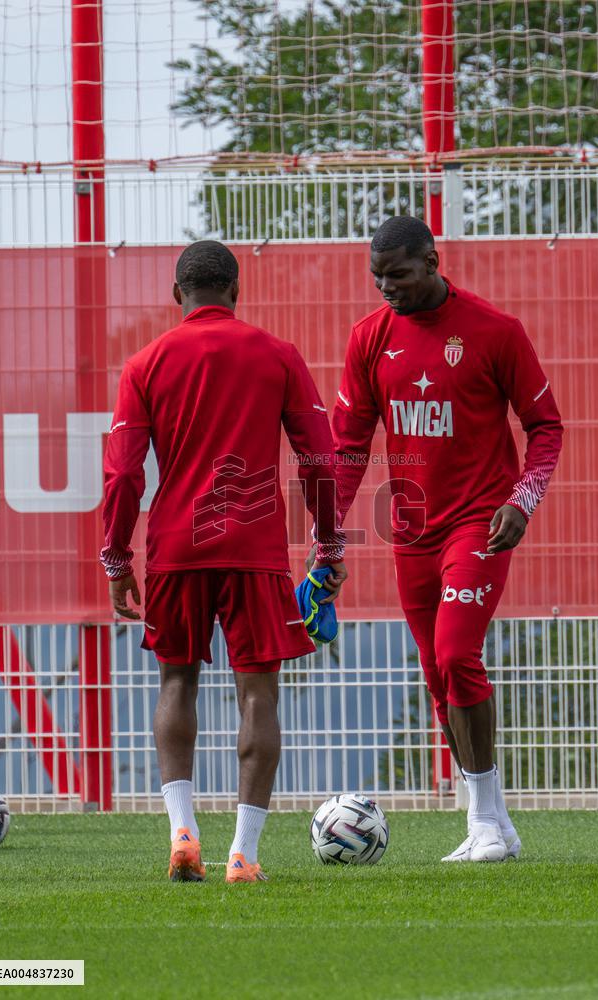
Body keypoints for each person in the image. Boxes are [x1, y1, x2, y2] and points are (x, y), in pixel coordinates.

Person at [100, 241, 347, 883]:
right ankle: (244, 854)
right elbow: (321, 461)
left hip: (177, 547)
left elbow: (123, 475)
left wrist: (116, 557)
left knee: (176, 683)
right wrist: (329, 545)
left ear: (176, 295)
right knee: (257, 692)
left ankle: (182, 833)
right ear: (236, 291)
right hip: (255, 548)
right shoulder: (277, 354)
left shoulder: (145, 363)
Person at [322, 216, 563, 861]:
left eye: (398, 275)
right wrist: (329, 534)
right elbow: (348, 446)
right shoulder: (369, 339)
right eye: (377, 277)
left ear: (431, 262)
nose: (386, 288)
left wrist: (523, 499)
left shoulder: (495, 331)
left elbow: (545, 427)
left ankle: (482, 823)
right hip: (412, 530)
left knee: (457, 655)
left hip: (480, 521)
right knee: (436, 678)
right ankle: (496, 825)